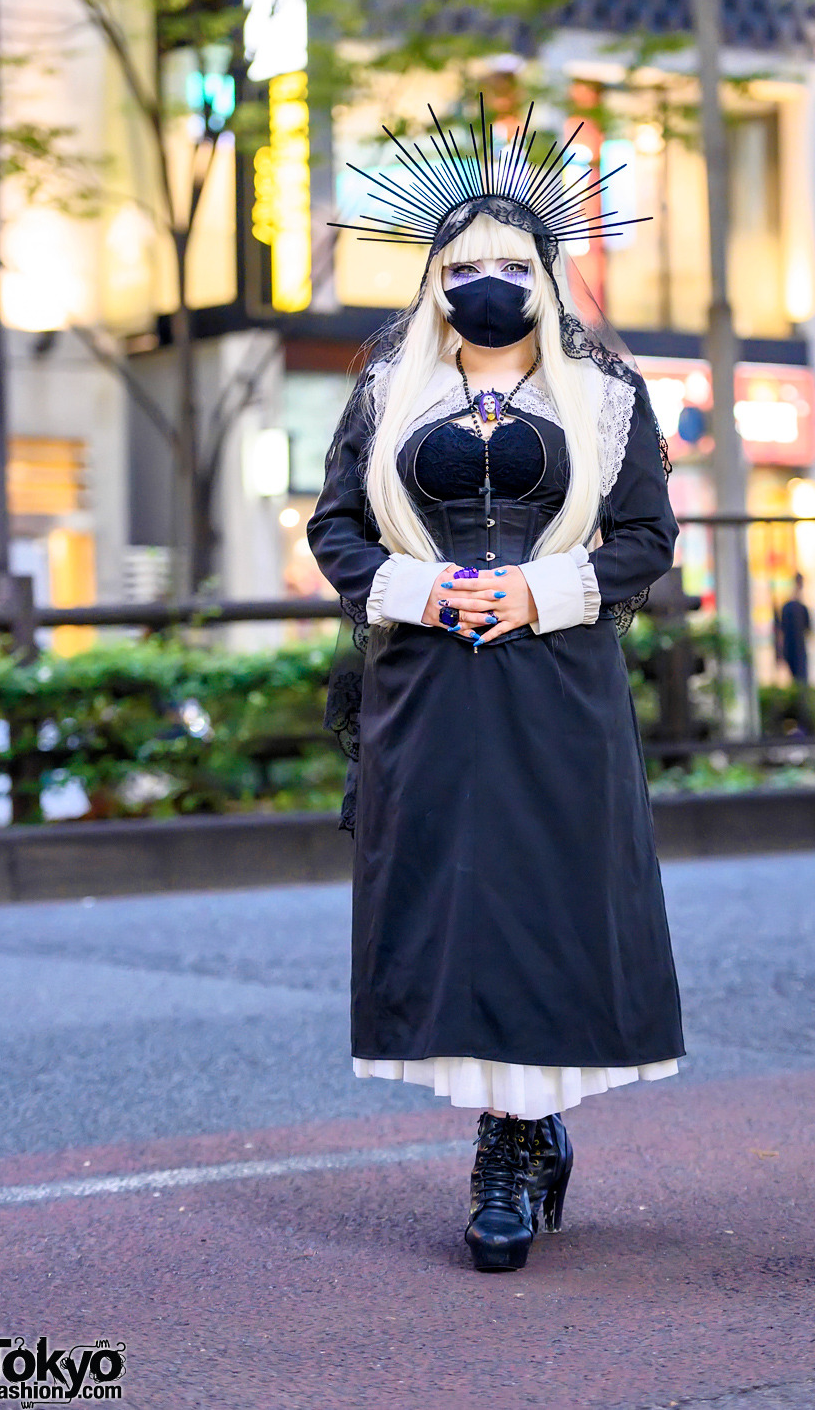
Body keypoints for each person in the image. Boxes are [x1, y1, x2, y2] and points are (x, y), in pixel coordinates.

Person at [307, 98, 685, 1273]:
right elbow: (334, 529)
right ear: (431, 280)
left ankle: (510, 1144)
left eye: (508, 264)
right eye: (461, 263)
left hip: (555, 681)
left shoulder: (608, 396)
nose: (483, 281)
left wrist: (539, 591)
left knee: (540, 899)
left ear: (546, 276)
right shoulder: (385, 393)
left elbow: (644, 540)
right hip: (424, 686)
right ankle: (515, 1129)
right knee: (454, 904)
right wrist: (420, 593)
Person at [778, 572, 811, 684]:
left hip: (797, 647)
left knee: (799, 678)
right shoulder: (791, 607)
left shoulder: (799, 608)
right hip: (793, 647)